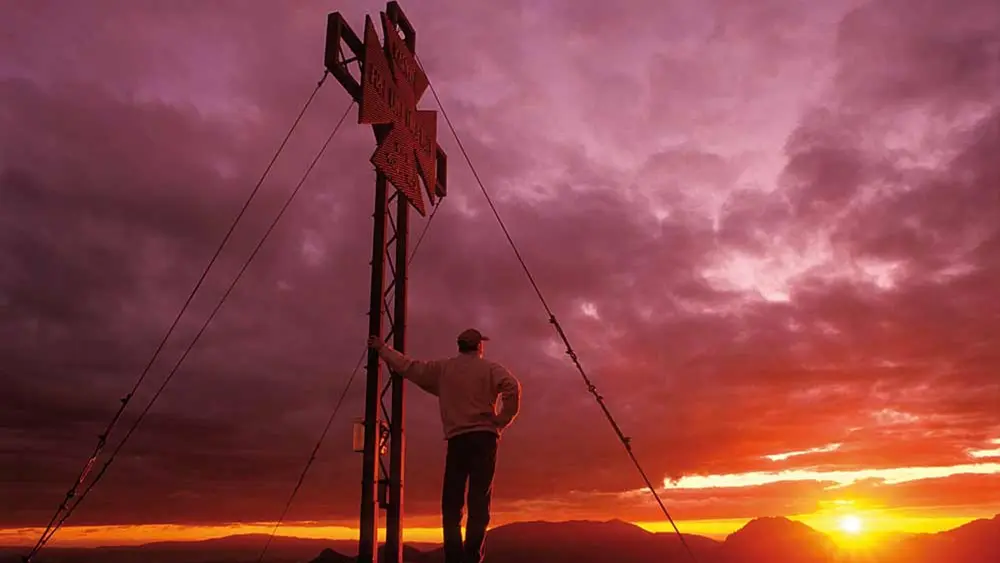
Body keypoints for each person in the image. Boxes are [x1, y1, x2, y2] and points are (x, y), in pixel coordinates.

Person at [368, 328, 521, 563]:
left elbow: (408, 367)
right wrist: (501, 419)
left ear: (459, 345)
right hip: (484, 439)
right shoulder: (490, 368)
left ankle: (454, 557)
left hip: (457, 440)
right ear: (479, 346)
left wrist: (381, 349)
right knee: (479, 501)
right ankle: (472, 558)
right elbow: (511, 386)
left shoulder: (443, 370)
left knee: (452, 504)